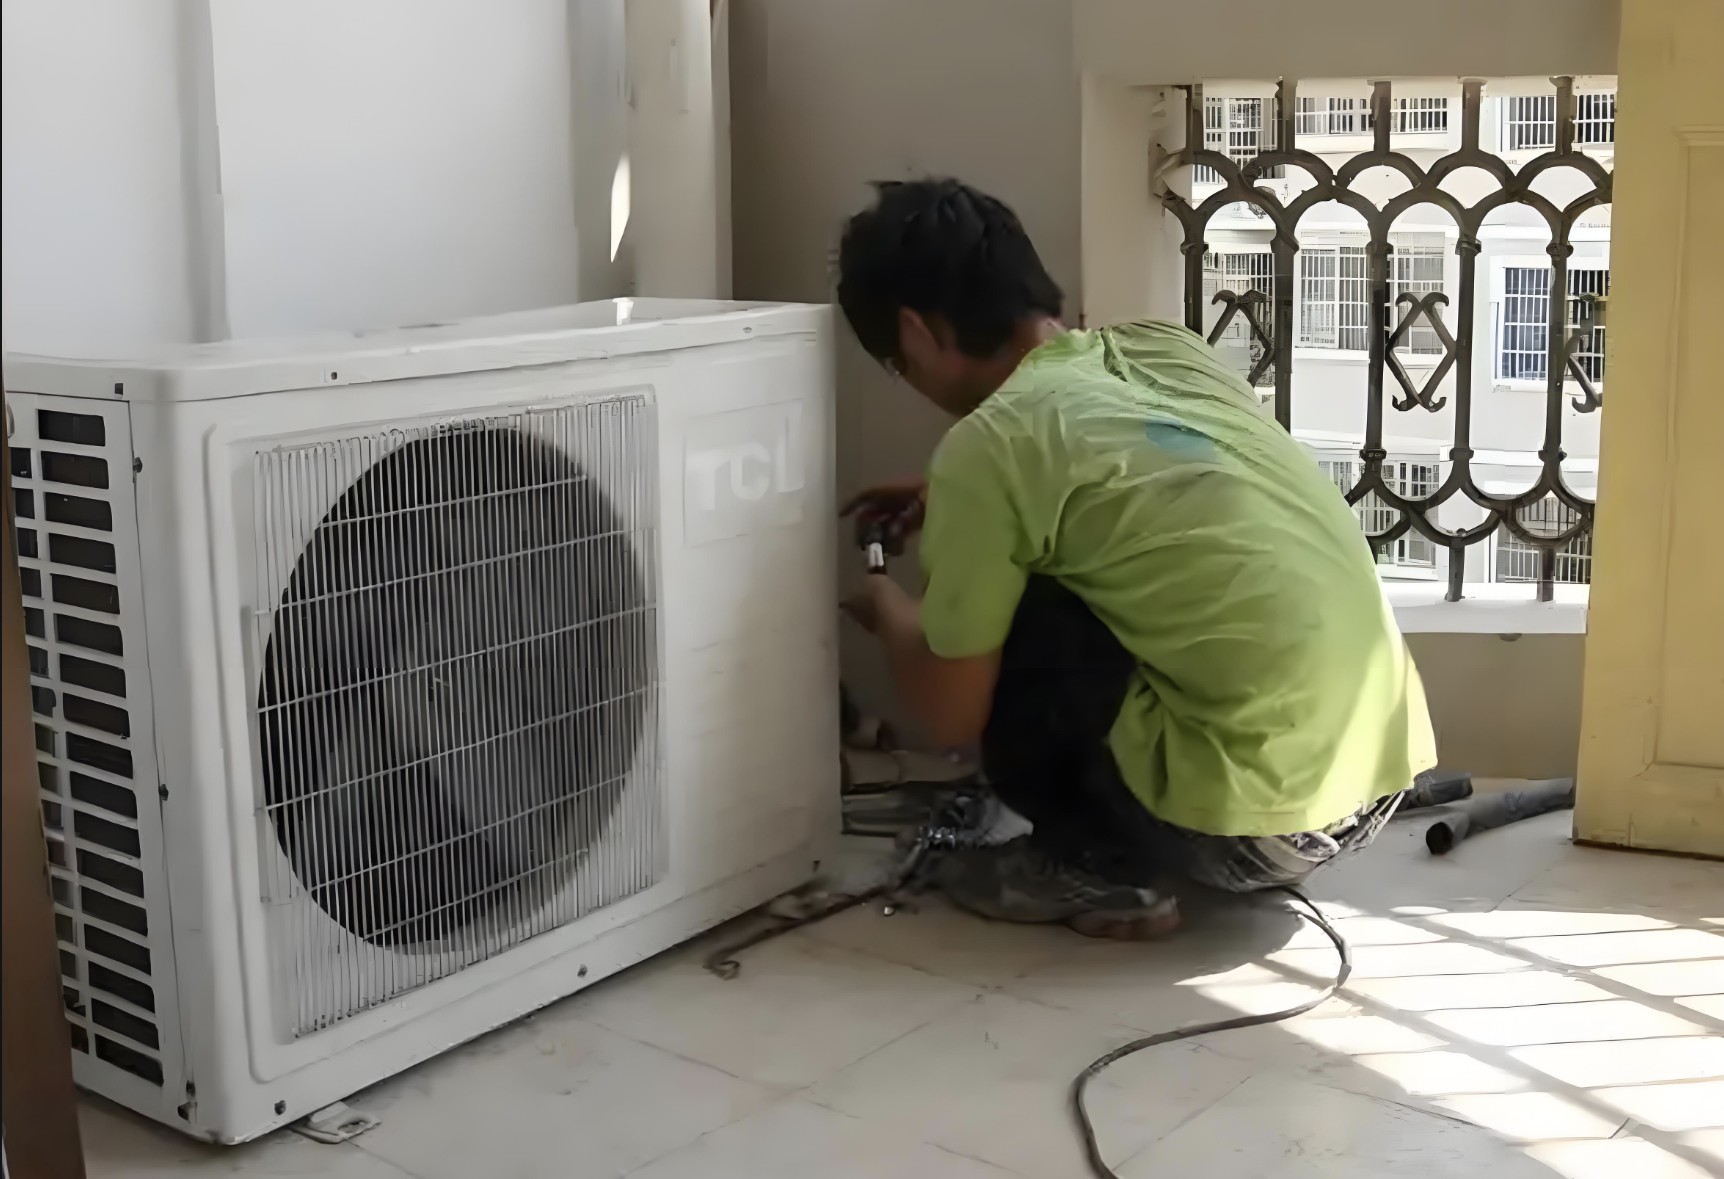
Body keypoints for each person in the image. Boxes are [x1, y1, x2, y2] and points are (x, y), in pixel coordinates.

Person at [837, 178, 1436, 940]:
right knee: (1075, 565)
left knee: (1021, 617)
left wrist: (886, 605)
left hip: (1246, 836)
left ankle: (1092, 863)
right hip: (1370, 786)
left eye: (899, 363)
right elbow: (1173, 481)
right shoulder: (1165, 350)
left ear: (917, 333)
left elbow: (950, 715)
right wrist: (949, 500)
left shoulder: (988, 448)